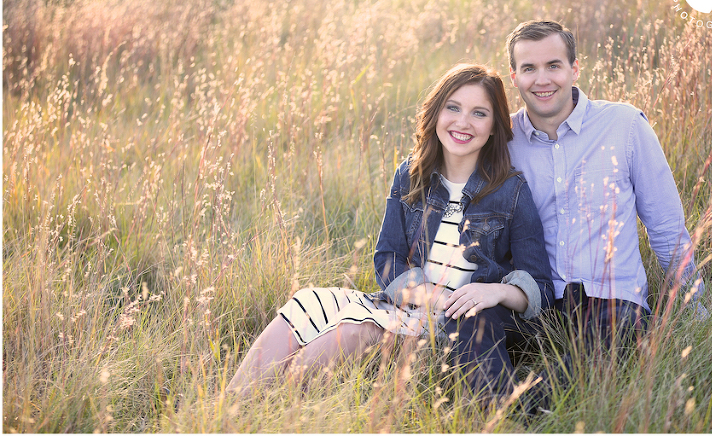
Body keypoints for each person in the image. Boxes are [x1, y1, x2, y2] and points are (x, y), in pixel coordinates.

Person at [226, 63, 554, 400]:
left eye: (479, 113)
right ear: (436, 112)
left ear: (495, 127)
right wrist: (429, 294)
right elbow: (387, 258)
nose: (462, 122)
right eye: (453, 108)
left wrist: (495, 293)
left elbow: (539, 286)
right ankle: (232, 406)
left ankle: (270, 409)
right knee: (307, 301)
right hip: (405, 302)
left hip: (450, 326)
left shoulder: (510, 191)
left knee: (355, 330)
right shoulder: (413, 173)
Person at [504, 20, 707, 358]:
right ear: (514, 77)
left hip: (612, 302)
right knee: (470, 342)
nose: (542, 79)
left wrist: (697, 312)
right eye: (529, 68)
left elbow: (666, 227)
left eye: (553, 65)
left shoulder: (624, 126)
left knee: (578, 372)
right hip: (532, 301)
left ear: (574, 69)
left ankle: (530, 409)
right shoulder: (503, 140)